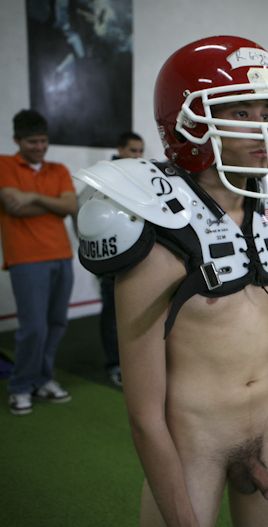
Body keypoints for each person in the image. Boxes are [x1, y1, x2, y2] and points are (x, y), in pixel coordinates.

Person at [74, 36, 268, 526]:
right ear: (190, 124)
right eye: (242, 112)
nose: (266, 127)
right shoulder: (158, 228)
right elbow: (145, 414)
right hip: (194, 445)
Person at [0, 109, 77, 416]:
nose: (39, 147)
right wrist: (53, 204)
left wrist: (34, 197)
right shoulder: (1, 164)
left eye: (43, 141)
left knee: (56, 324)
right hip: (26, 258)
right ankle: (20, 386)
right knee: (34, 328)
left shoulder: (59, 168)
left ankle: (42, 378)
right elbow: (14, 206)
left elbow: (71, 205)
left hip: (62, 255)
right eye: (31, 142)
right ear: (17, 140)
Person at [99, 131, 145, 387]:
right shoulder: (103, 176)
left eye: (140, 151)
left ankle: (138, 366)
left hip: (139, 259)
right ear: (120, 149)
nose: (137, 155)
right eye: (132, 150)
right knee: (113, 317)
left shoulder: (143, 176)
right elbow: (86, 216)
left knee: (140, 316)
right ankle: (115, 365)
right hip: (114, 260)